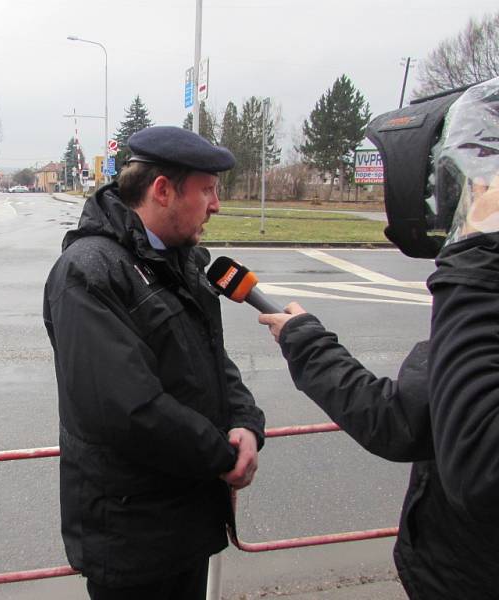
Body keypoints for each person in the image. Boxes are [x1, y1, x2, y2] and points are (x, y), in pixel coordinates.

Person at [257, 77, 499, 600]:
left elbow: (477, 467)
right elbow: (408, 419)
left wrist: (478, 254)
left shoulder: (481, 284)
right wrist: (305, 339)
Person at [43, 126, 265, 600]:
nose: (217, 205)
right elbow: (127, 409)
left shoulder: (180, 259)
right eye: (207, 190)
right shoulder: (89, 271)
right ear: (162, 190)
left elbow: (210, 357)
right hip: (133, 537)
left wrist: (246, 422)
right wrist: (224, 456)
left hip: (185, 522)